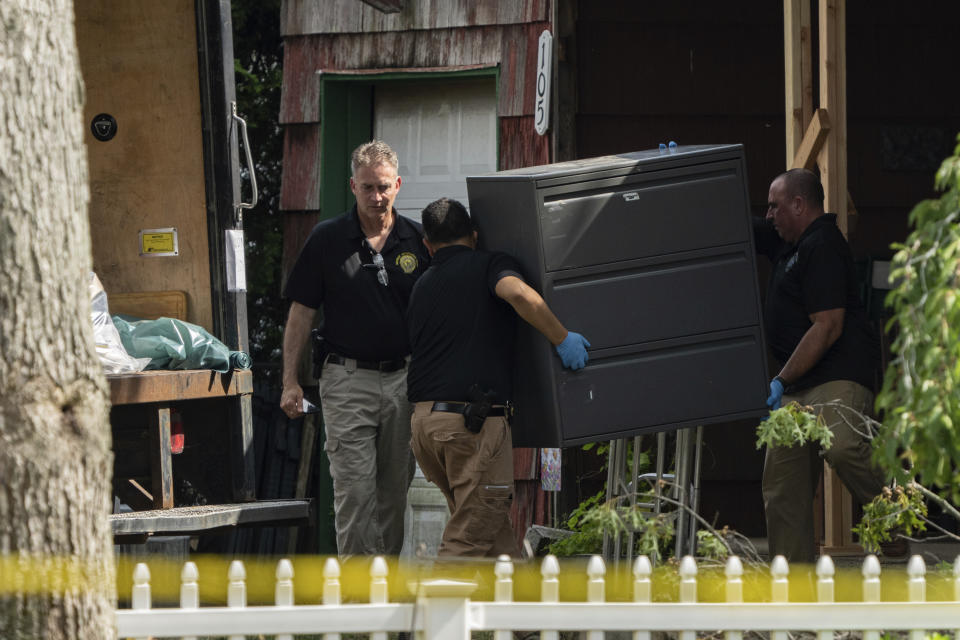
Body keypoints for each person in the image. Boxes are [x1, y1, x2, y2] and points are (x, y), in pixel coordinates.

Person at [406, 197, 590, 558]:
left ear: (428, 245)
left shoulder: (422, 285)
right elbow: (518, 294)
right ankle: (433, 616)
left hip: (426, 426)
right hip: (470, 427)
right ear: (474, 236)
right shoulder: (489, 264)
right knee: (468, 541)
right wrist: (561, 338)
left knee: (493, 537)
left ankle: (513, 613)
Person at [280, 140, 429, 556]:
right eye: (367, 188)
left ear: (398, 184)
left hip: (405, 380)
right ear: (352, 186)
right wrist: (290, 381)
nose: (376, 197)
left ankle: (388, 601)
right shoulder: (328, 239)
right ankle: (359, 609)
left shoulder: (417, 240)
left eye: (383, 187)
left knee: (393, 494)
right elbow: (301, 312)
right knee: (355, 493)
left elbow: (438, 315)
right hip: (347, 379)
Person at [756, 168, 884, 563]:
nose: (769, 216)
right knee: (782, 481)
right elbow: (739, 224)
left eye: (775, 207)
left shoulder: (823, 243)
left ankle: (898, 515)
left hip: (835, 375)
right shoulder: (787, 246)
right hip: (797, 385)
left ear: (799, 204)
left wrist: (781, 378)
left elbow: (827, 326)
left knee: (843, 446)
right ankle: (791, 580)